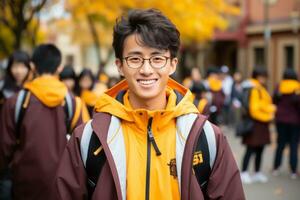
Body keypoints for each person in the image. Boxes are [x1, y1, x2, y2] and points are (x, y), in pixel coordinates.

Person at [54, 9, 245, 200]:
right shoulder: (89, 138)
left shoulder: (206, 138)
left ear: (173, 64)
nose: (146, 69)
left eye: (157, 58)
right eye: (135, 59)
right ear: (119, 65)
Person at [0, 44, 84, 200]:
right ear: (59, 68)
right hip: (62, 189)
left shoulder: (15, 102)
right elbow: (81, 150)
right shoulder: (74, 103)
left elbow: (4, 149)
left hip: (23, 188)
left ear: (32, 66)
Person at [0, 50, 32, 200]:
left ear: (29, 68)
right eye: (15, 66)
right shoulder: (3, 92)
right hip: (5, 149)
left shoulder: (33, 92)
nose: (18, 71)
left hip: (27, 150)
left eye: (22, 66)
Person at [240, 68, 276, 184]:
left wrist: (267, 109)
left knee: (260, 149)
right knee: (250, 149)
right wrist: (269, 114)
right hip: (255, 123)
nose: (264, 79)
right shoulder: (254, 89)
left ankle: (257, 173)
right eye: (262, 76)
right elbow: (254, 109)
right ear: (257, 76)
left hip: (260, 124)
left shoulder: (259, 88)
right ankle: (244, 172)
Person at [272, 68, 300, 179]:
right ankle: (293, 171)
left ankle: (276, 168)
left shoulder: (279, 86)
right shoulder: (298, 87)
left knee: (280, 144)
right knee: (294, 145)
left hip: (281, 120)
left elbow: (274, 100)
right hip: (295, 121)